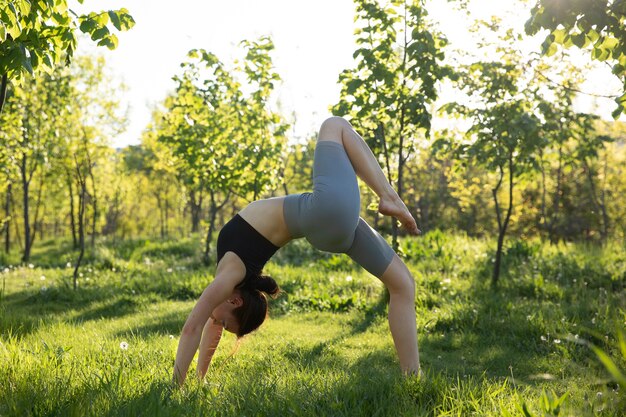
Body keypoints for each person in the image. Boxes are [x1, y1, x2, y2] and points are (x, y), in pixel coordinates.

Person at [173, 116, 421, 385]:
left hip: (329, 228)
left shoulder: (231, 279)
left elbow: (200, 326)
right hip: (324, 215)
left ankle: (413, 379)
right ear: (235, 301)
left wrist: (189, 381)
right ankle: (389, 196)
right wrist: (184, 384)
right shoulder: (230, 279)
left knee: (403, 285)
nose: (216, 326)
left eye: (222, 324)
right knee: (334, 125)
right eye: (223, 324)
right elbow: (197, 327)